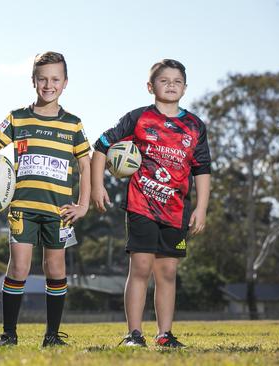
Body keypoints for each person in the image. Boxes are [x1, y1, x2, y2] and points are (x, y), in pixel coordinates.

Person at [0, 52, 91, 347]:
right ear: (33, 81)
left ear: (65, 83)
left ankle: (52, 336)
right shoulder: (17, 118)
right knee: (19, 268)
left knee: (56, 269)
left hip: (60, 211)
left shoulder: (73, 124)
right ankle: (9, 334)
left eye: (55, 79)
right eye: (43, 79)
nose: (49, 85)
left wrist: (83, 204)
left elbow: (85, 165)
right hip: (23, 208)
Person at [91, 59, 211, 348]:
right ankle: (134, 334)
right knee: (141, 267)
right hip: (141, 205)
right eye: (164, 80)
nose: (171, 85)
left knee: (167, 272)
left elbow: (202, 169)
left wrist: (201, 207)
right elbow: (101, 145)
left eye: (177, 81)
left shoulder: (195, 125)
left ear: (185, 87)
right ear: (150, 86)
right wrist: (97, 186)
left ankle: (164, 335)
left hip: (176, 210)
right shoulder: (138, 118)